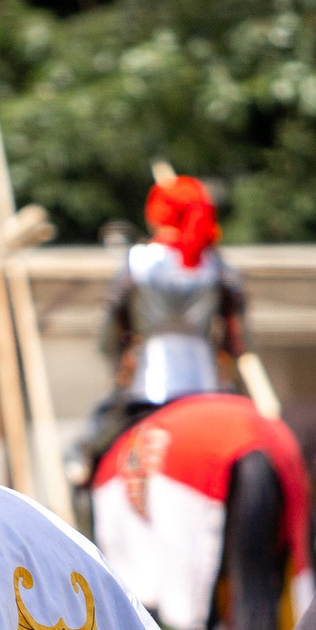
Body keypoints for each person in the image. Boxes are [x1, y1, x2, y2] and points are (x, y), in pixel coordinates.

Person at [68, 173, 245, 485]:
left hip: (148, 385)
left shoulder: (137, 261)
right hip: (207, 383)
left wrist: (117, 360)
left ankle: (83, 483)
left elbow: (108, 333)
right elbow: (237, 338)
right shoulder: (217, 265)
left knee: (85, 454)